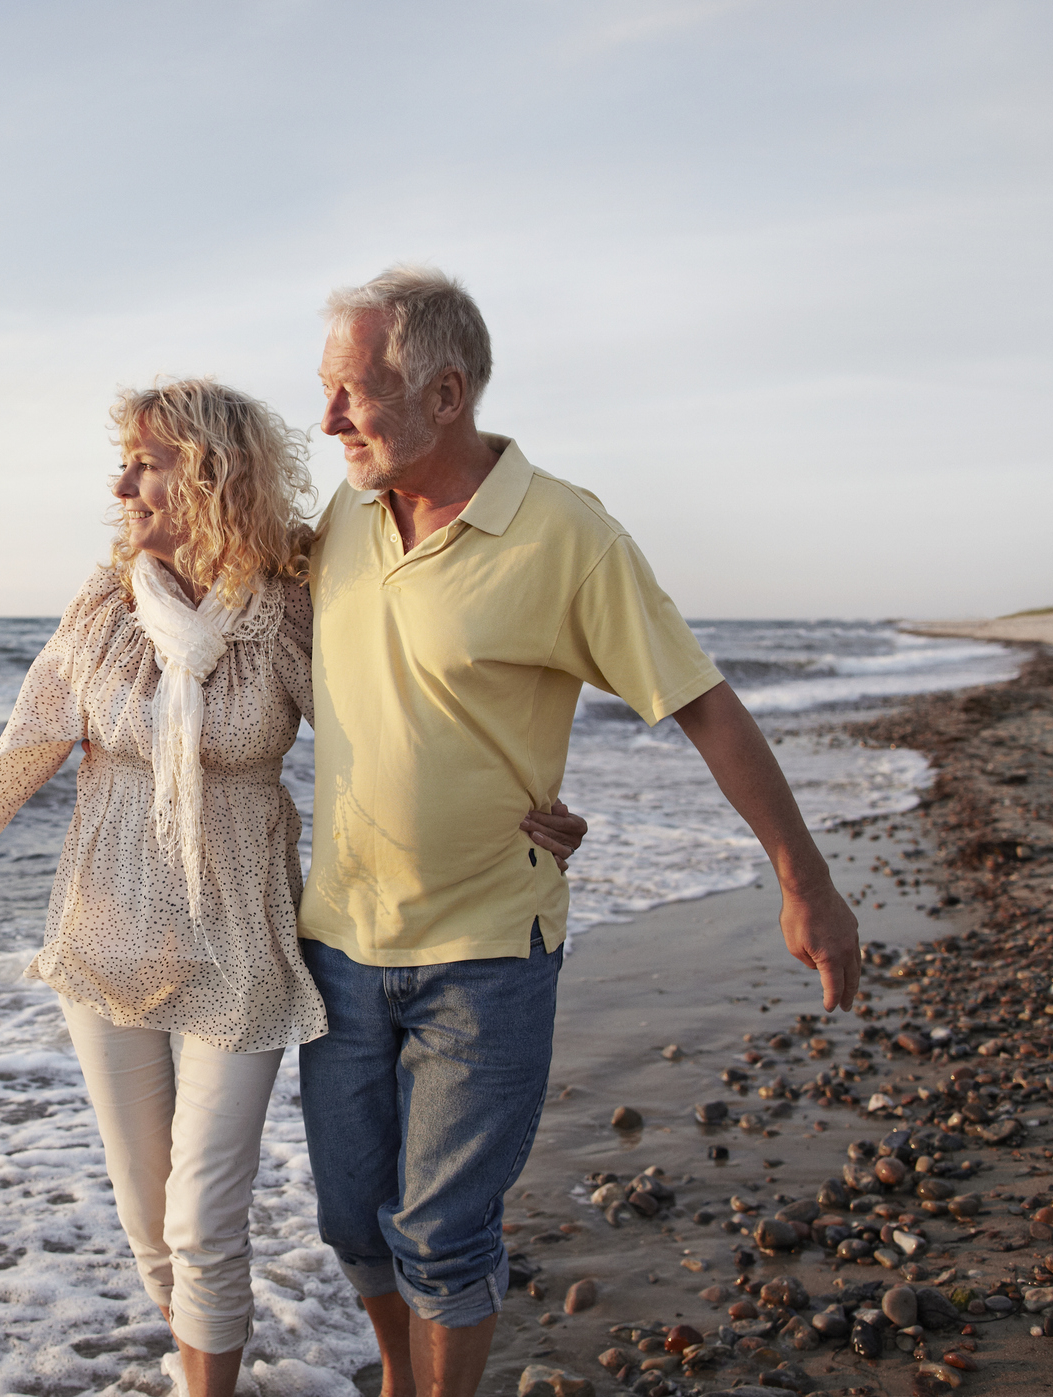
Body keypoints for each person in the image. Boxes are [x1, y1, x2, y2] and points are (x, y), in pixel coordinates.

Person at [0, 378, 589, 1396]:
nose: (119, 478)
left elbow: (387, 736)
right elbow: (25, 744)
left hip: (242, 944)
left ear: (211, 472)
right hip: (107, 932)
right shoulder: (99, 610)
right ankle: (198, 1363)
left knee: (201, 1213)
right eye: (123, 459)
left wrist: (516, 802)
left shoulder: (282, 612)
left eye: (146, 460)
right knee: (149, 1226)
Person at [297, 266, 863, 1397]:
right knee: (353, 1223)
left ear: (444, 392)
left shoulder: (566, 533)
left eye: (349, 393)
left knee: (442, 1233)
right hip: (336, 945)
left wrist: (807, 883)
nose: (326, 421)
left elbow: (698, 700)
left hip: (486, 952)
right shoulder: (341, 519)